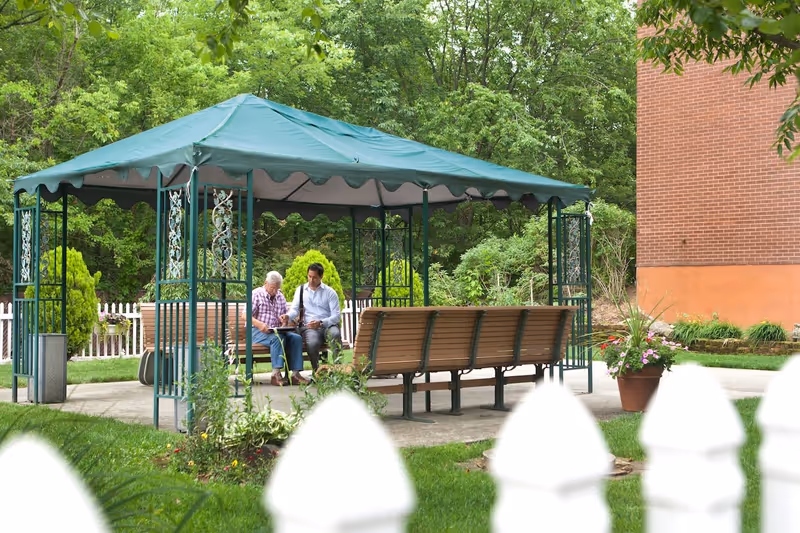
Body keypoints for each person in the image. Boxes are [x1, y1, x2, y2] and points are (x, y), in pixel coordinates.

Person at [246, 271, 309, 386]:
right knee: (277, 338)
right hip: (256, 331)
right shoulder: (256, 294)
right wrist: (260, 324)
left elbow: (285, 317)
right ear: (265, 283)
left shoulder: (280, 296)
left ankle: (295, 375)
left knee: (296, 338)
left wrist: (285, 319)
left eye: (277, 288)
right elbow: (245, 315)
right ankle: (275, 375)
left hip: (276, 331)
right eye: (272, 288)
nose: (275, 291)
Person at [287, 262, 342, 371]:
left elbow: (336, 316)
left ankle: (338, 369)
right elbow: (294, 309)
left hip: (328, 326)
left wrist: (321, 322)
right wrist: (287, 316)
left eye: (315, 277)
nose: (311, 280)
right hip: (310, 327)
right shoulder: (301, 290)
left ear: (321, 277)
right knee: (312, 343)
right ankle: (317, 372)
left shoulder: (330, 292)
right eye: (309, 276)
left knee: (335, 334)